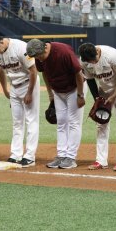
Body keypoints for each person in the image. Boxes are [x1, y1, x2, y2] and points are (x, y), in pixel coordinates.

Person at [26, 39, 86, 170]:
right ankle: (61, 155)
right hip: (58, 91)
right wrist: (50, 94)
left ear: (44, 49)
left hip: (74, 89)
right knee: (61, 122)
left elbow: (79, 74)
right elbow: (45, 75)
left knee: (74, 122)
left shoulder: (63, 52)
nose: (38, 59)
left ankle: (70, 157)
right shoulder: (39, 56)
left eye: (38, 56)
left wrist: (80, 95)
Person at [0, 34, 40, 167]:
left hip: (29, 84)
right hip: (14, 86)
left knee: (31, 120)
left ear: (1, 42)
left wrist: (29, 93)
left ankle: (29, 156)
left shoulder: (21, 48)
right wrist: (5, 89)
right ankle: (16, 154)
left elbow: (33, 71)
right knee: (17, 122)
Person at [78, 43, 116, 171]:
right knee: (101, 124)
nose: (92, 63)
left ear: (97, 52)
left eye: (93, 60)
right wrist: (97, 98)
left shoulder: (112, 55)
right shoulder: (84, 61)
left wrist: (114, 96)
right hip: (103, 91)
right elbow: (90, 79)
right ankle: (101, 160)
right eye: (89, 61)